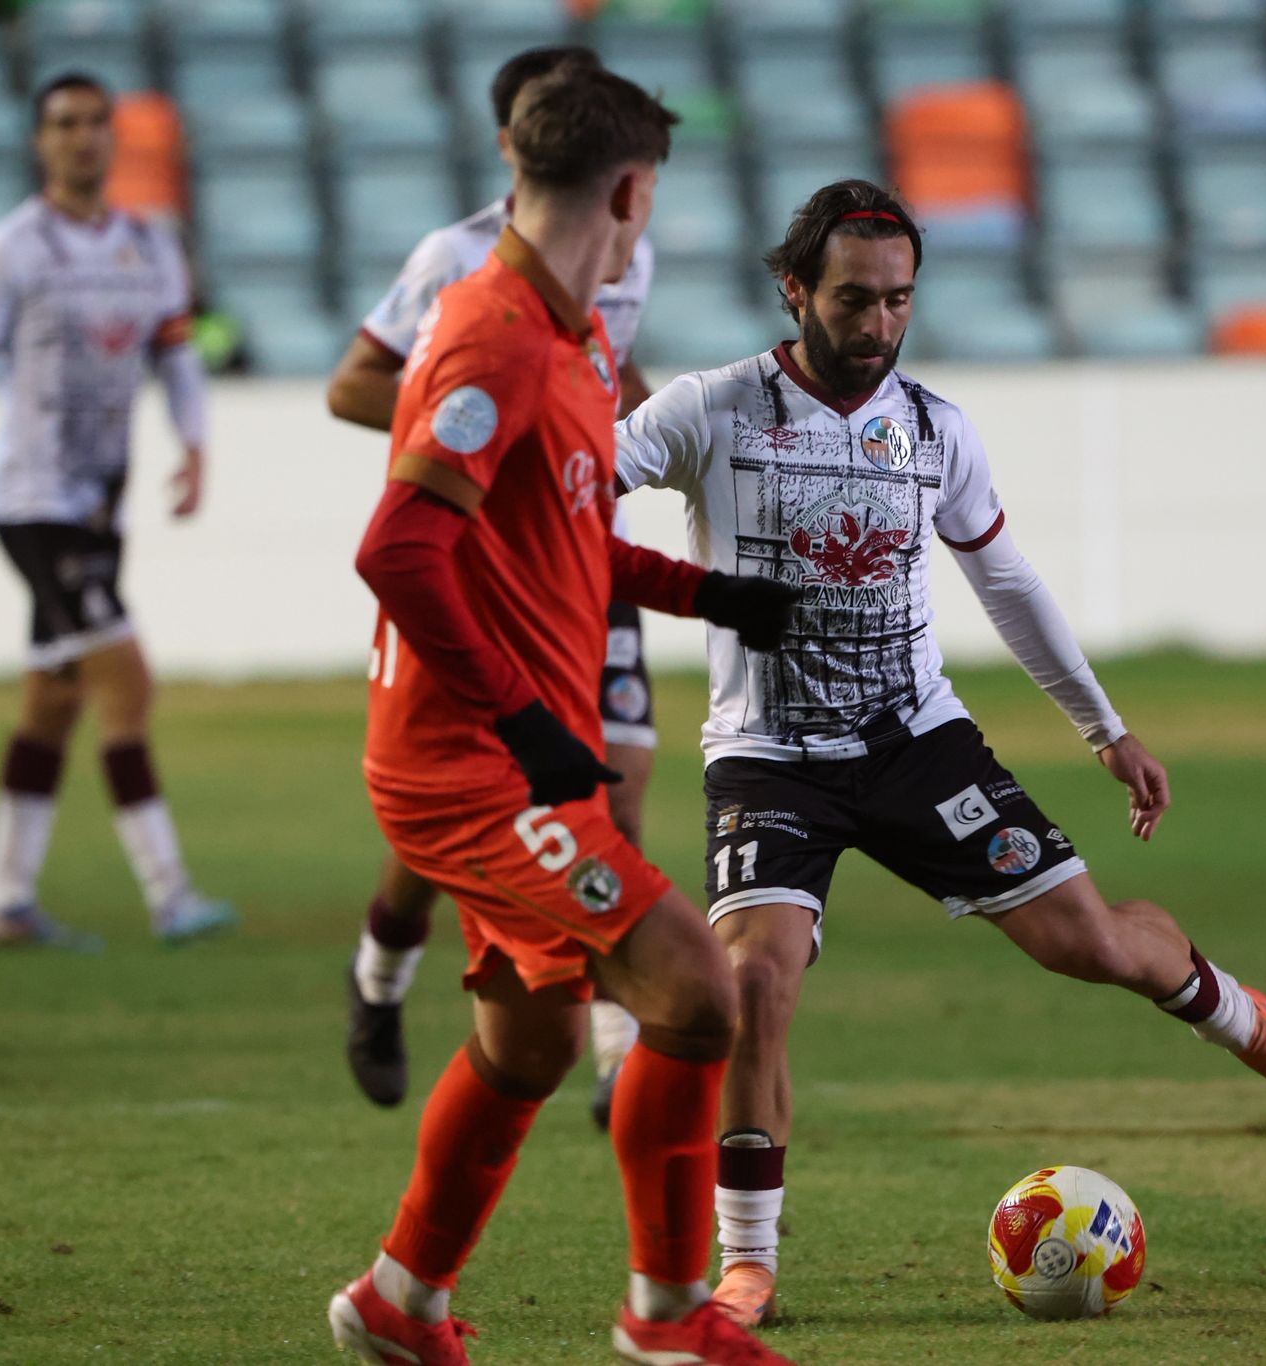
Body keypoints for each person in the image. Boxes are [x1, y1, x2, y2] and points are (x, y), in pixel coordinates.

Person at [613, 178, 1266, 1330]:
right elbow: (574, 483)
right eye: (853, 301)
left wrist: (1102, 728)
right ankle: (748, 1260)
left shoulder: (931, 427)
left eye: (897, 302)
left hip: (916, 742)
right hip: (769, 758)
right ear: (792, 289)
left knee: (1094, 945)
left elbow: (1004, 581)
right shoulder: (709, 411)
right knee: (752, 983)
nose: (877, 326)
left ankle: (1245, 1021)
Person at [325, 65, 801, 1366]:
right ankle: (666, 1318)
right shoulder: (486, 335)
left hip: (524, 760)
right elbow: (400, 550)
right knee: (699, 994)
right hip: (472, 766)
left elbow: (576, 540)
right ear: (633, 191)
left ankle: (396, 1301)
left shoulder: (574, 339)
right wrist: (523, 727)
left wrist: (716, 593)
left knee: (528, 1043)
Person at [328, 46, 657, 1122]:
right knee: (471, 804)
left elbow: (611, 375)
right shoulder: (454, 261)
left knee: (615, 774)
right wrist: (498, 446)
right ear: (511, 140)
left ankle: (615, 1053)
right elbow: (356, 385)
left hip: (580, 549)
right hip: (489, 555)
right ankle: (380, 972)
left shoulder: (622, 245)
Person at [0, 72, 235, 950]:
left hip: (100, 510)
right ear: (40, 141)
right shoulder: (9, 253)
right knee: (128, 682)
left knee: (51, 704)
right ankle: (169, 892)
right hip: (35, 507)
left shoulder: (151, 248)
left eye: (95, 123)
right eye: (64, 124)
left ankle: (5, 902)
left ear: (114, 139)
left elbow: (177, 359)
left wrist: (194, 446)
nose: (82, 137)